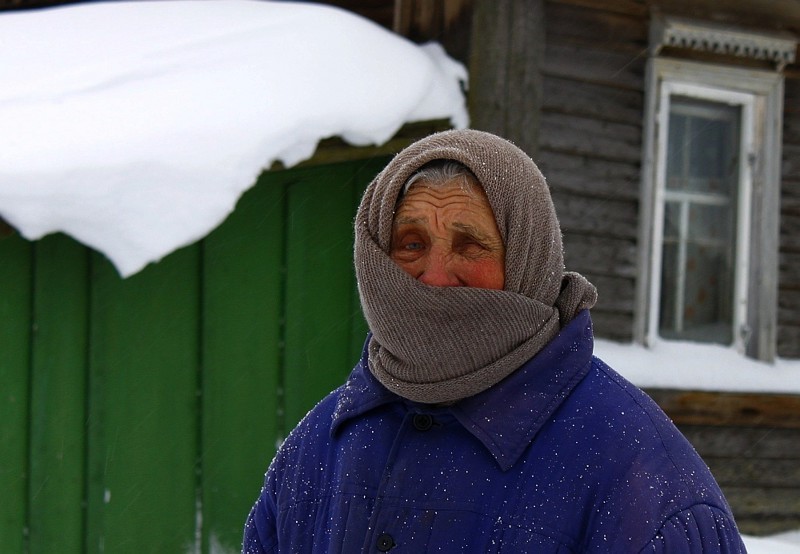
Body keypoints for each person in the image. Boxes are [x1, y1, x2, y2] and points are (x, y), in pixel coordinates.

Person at [243, 129, 746, 553]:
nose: (435, 276)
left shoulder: (638, 475)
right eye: (412, 244)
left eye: (470, 245)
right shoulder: (316, 449)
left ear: (527, 261)